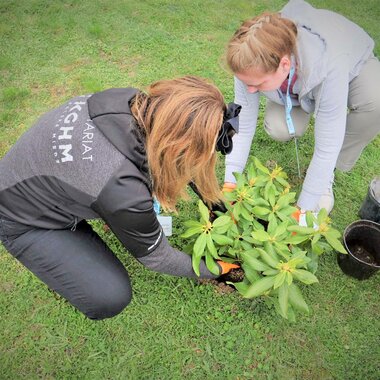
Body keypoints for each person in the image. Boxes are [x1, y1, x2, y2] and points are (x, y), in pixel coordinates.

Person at [0, 76, 240, 320]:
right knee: (109, 295)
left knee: (105, 196)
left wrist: (216, 206)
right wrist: (217, 269)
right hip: (23, 220)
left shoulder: (127, 101)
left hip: (25, 177)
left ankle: (94, 208)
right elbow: (158, 258)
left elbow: (174, 159)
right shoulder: (124, 191)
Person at [224, 0, 380, 214]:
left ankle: (327, 174)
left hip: (352, 65)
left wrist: (303, 208)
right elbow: (243, 122)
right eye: (247, 83)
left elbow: (327, 144)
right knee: (281, 127)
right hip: (298, 78)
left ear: (284, 65)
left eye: (257, 85)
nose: (252, 91)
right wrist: (230, 181)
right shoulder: (249, 58)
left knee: (376, 103)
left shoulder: (330, 64)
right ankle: (294, 95)